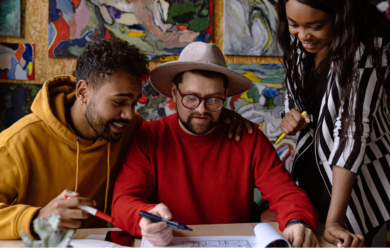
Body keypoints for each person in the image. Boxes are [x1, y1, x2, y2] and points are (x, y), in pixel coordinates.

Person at [0, 38, 250, 240]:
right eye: (119, 102)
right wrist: (35, 218)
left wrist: (221, 114)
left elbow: (181, 127)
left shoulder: (132, 130)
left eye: (134, 102)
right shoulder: (18, 142)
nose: (130, 114)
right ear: (83, 92)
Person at [112, 42, 320, 247]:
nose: (202, 110)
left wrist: (297, 220)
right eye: (191, 98)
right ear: (174, 92)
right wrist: (144, 220)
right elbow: (123, 201)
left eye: (213, 99)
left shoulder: (249, 138)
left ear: (226, 94)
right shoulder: (149, 137)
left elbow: (286, 193)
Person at [277, 0, 390, 247]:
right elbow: (296, 94)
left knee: (341, 240)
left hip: (358, 174)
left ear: (341, 16)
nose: (302, 35)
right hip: (313, 162)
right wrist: (291, 114)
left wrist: (334, 221)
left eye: (315, 26)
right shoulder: (299, 40)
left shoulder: (368, 50)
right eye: (293, 24)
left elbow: (352, 132)